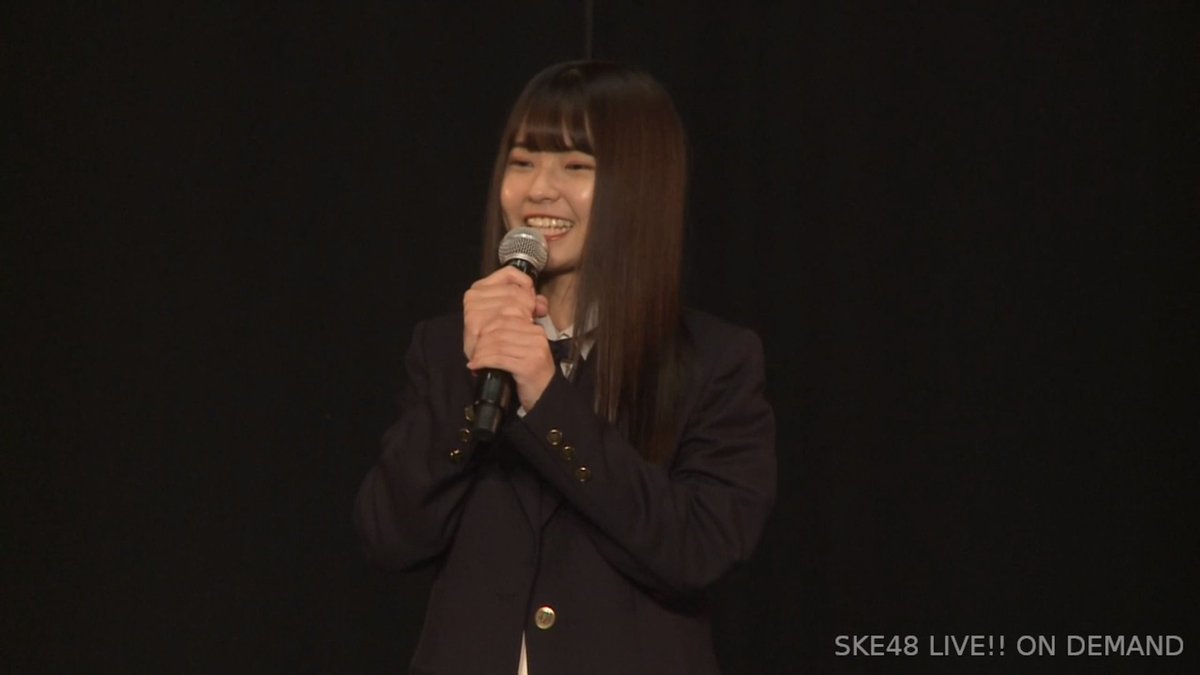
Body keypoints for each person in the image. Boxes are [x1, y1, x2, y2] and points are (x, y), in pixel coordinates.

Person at [355, 61, 776, 675]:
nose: (539, 190)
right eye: (523, 161)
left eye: (576, 166)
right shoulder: (449, 345)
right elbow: (388, 536)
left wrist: (549, 398)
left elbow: (700, 549)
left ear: (642, 184)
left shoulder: (713, 360)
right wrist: (472, 381)